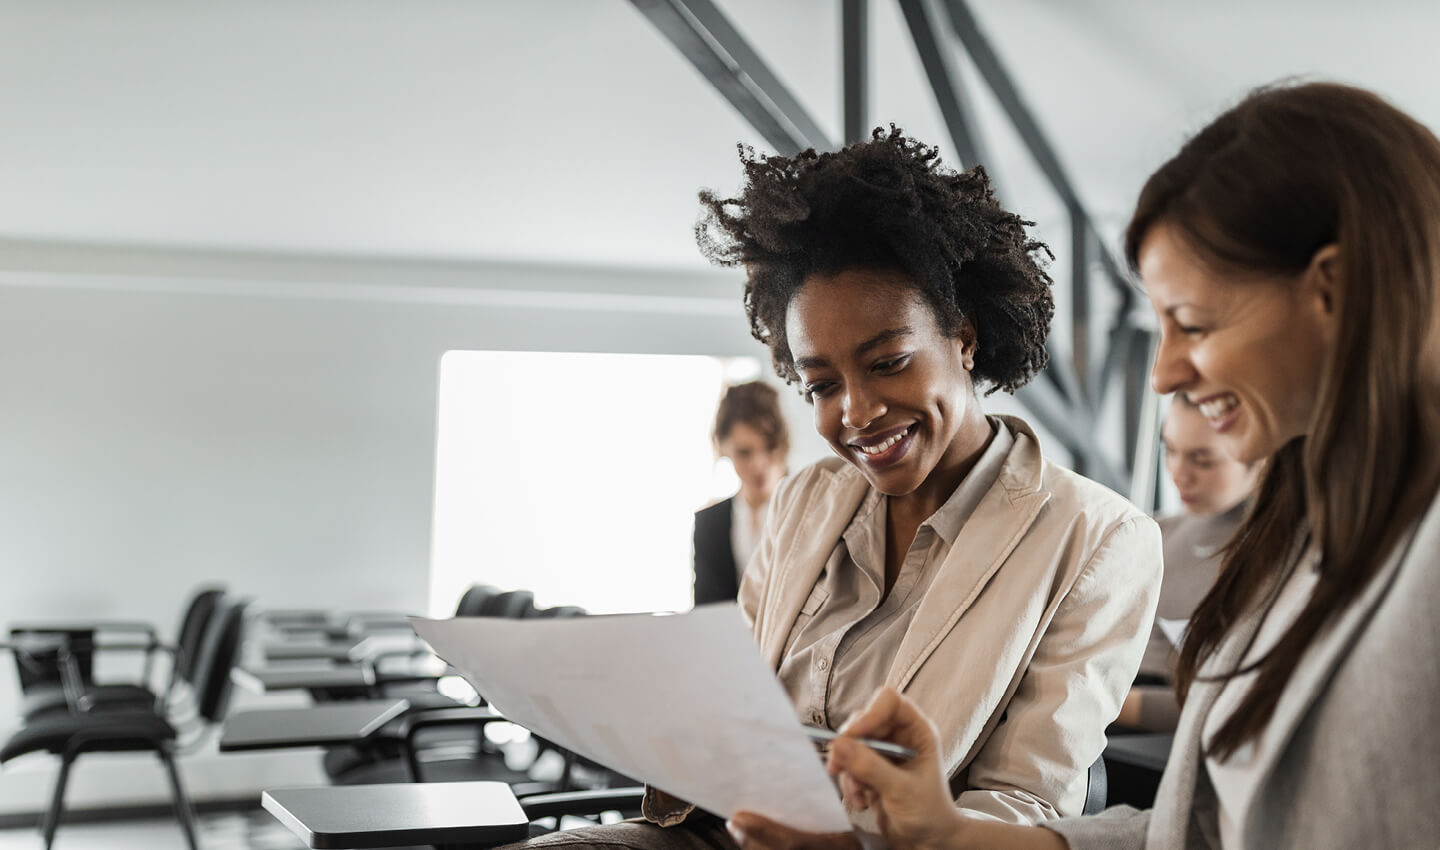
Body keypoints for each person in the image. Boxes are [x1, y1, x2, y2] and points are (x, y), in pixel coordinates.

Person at [728, 82, 1440, 850]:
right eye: (821, 384)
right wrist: (941, 832)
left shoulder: (1106, 537)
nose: (1163, 374)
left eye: (1191, 323)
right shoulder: (1296, 537)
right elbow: (1194, 829)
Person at [510, 128, 1162, 850]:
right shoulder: (805, 500)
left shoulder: (1098, 538)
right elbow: (742, 715)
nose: (854, 413)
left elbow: (1023, 803)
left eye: (887, 363)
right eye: (821, 383)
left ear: (966, 337)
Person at [1116, 395, 1258, 732]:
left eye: (1203, 460)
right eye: (1170, 450)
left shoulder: (1276, 558)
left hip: (1151, 744)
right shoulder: (1152, 532)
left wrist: (1101, 704)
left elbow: (1240, 707)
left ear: (1260, 457)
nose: (1179, 475)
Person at [694, 381, 790, 605]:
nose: (758, 464)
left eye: (769, 448)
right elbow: (705, 611)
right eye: (744, 453)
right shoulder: (709, 524)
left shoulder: (814, 511)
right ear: (724, 447)